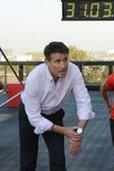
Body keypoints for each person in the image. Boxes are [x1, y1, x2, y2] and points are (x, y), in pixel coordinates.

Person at [19, 41, 95, 171]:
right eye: (57, 61)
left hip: (54, 113)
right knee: (28, 160)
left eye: (65, 60)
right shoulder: (34, 78)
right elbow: (35, 119)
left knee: (58, 160)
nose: (63, 65)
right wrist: (65, 131)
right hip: (30, 114)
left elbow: (84, 102)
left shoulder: (74, 71)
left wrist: (78, 133)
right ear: (46, 62)